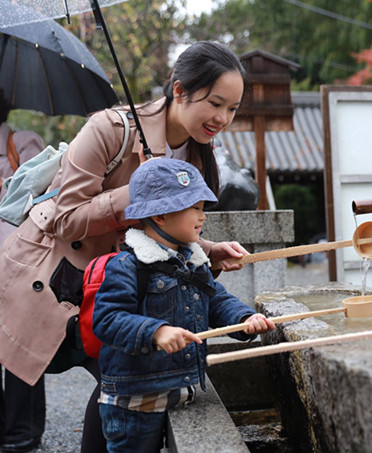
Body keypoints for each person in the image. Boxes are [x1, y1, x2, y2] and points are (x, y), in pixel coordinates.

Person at [0, 41, 255, 453]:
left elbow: (159, 231)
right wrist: (134, 195)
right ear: (178, 90)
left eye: (233, 109)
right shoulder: (109, 128)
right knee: (120, 372)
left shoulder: (196, 151)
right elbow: (66, 219)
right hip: (65, 280)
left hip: (125, 283)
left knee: (123, 375)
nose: (223, 119)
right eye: (215, 103)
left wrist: (206, 248)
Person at [93, 159, 275, 452]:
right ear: (161, 215)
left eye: (202, 208)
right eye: (195, 208)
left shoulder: (193, 259)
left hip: (180, 387)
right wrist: (157, 331)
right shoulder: (127, 265)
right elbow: (107, 320)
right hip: (136, 401)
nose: (203, 217)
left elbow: (215, 298)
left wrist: (245, 319)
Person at [0, 89, 47, 453]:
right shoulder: (22, 141)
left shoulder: (22, 143)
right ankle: (17, 431)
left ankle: (21, 432)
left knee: (20, 342)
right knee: (17, 341)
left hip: (20, 257)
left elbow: (44, 195)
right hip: (14, 257)